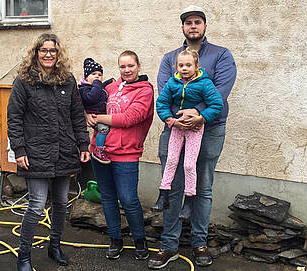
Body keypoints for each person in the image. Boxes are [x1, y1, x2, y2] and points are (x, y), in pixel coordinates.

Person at [148, 5, 237, 269]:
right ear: (183, 27)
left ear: (205, 26)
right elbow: (164, 90)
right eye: (188, 23)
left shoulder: (221, 55)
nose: (193, 26)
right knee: (172, 185)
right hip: (174, 129)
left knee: (203, 187)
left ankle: (199, 243)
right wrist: (177, 119)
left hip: (209, 129)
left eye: (198, 22)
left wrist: (198, 114)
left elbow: (221, 90)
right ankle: (169, 245)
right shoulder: (170, 58)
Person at [7, 33, 90, 271]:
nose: (48, 55)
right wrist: (19, 148)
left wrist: (83, 145)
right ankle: (24, 255)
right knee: (36, 206)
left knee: (62, 203)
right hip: (36, 152)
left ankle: (55, 246)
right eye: (43, 50)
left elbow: (76, 115)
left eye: (52, 51)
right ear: (36, 53)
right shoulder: (24, 81)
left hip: (64, 150)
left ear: (58, 54)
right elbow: (14, 117)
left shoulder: (68, 80)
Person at [87, 50, 154, 261]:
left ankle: (139, 240)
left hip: (126, 153)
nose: (126, 70)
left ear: (138, 65)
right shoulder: (110, 87)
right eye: (122, 67)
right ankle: (115, 239)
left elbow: (129, 118)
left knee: (128, 199)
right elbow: (90, 103)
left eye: (130, 66)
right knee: (107, 197)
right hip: (100, 151)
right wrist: (87, 114)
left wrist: (100, 117)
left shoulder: (145, 91)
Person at [151, 48, 223, 213]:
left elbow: (217, 104)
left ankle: (189, 200)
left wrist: (201, 117)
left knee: (189, 164)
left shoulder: (204, 83)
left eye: (188, 65)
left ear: (197, 66)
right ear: (176, 67)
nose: (184, 69)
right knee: (171, 161)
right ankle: (163, 195)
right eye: (181, 65)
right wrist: (170, 121)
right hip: (177, 126)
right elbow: (162, 103)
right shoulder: (173, 82)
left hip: (194, 128)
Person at [78, 58, 114, 164]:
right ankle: (99, 149)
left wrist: (108, 82)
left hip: (102, 116)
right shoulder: (84, 89)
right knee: (104, 129)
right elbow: (92, 97)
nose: (97, 76)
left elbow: (100, 88)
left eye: (99, 74)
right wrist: (97, 83)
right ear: (86, 77)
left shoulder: (96, 87)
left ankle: (102, 147)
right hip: (94, 117)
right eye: (94, 74)